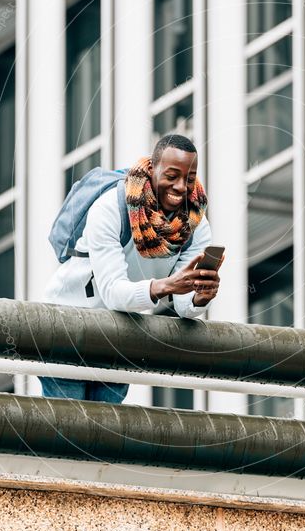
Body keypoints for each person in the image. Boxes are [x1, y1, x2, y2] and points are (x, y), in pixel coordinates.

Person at [39, 134, 222, 403]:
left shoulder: (195, 226)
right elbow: (113, 292)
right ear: (152, 169)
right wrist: (166, 286)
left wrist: (199, 297)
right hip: (67, 328)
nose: (181, 186)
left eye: (189, 178)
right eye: (172, 175)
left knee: (106, 437)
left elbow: (183, 306)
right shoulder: (111, 208)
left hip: (120, 337)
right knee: (69, 434)